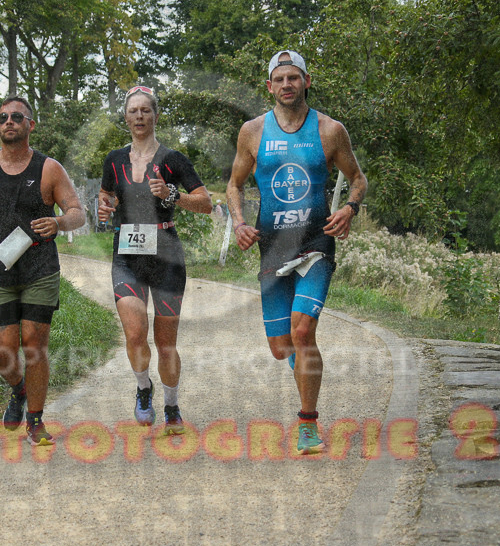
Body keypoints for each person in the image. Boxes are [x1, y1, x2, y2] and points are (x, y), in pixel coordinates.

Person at [226, 51, 367, 455]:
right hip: (272, 247)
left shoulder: (330, 130)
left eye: (294, 77)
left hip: (316, 244)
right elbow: (234, 185)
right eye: (279, 79)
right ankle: (305, 372)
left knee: (303, 331)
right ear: (269, 86)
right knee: (282, 345)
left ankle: (308, 423)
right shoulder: (252, 132)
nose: (287, 84)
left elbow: (357, 179)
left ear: (307, 81)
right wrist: (238, 222)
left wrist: (349, 208)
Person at [0, 96, 85, 446]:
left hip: (39, 269)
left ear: (30, 125)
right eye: (3, 117)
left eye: (17, 117)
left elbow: (77, 211)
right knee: (3, 354)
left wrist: (60, 222)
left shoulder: (49, 169)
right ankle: (18, 390)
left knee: (34, 346)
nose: (9, 121)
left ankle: (35, 420)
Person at [98, 86, 212, 434]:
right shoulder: (113, 160)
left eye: (146, 111)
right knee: (135, 334)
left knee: (165, 343)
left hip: (166, 255)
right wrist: (104, 208)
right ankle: (143, 388)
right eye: (133, 111)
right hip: (127, 255)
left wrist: (172, 194)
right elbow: (105, 198)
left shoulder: (173, 159)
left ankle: (172, 404)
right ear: (125, 118)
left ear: (156, 116)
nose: (139, 117)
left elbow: (205, 202)